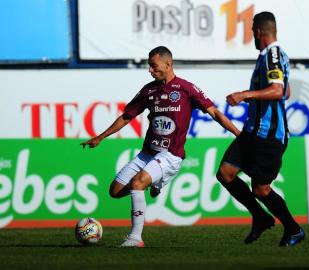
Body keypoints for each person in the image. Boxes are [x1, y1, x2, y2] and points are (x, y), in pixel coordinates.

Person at [80, 46, 240, 248]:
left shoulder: (186, 89)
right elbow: (127, 116)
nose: (150, 70)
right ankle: (155, 182)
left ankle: (135, 238)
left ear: (168, 63)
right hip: (147, 154)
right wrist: (100, 137)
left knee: (137, 184)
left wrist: (238, 134)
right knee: (115, 190)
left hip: (171, 156)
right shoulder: (149, 90)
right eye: (149, 66)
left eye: (153, 66)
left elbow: (215, 113)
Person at [216, 11, 305, 247]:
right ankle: (261, 216)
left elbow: (277, 91)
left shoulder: (273, 54)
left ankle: (293, 229)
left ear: (258, 32)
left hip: (269, 135)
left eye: (252, 32)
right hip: (253, 131)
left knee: (261, 189)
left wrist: (245, 95)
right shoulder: (270, 56)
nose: (252, 37)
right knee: (225, 173)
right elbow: (285, 91)